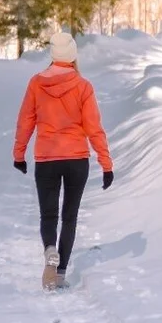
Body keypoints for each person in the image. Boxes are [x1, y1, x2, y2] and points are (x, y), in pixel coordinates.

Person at [12, 30, 114, 291]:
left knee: (48, 214)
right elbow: (94, 128)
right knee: (69, 217)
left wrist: (19, 154)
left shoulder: (36, 83)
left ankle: (49, 250)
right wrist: (106, 164)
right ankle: (59, 274)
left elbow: (26, 121)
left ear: (52, 56)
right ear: (73, 56)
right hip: (76, 160)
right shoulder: (83, 86)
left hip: (46, 157)